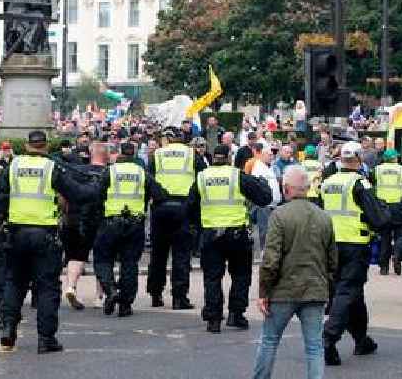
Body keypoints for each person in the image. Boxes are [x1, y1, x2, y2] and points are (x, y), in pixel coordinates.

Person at [0, 131, 100, 354]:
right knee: (47, 288)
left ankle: (8, 331)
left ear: (26, 145)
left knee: (14, 284)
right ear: (45, 146)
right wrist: (97, 184)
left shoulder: (14, 167)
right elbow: (79, 195)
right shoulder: (51, 168)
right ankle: (46, 339)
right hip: (44, 237)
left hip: (16, 236)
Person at [252, 166, 337, 379]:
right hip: (314, 290)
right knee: (314, 346)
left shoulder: (279, 216)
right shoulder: (324, 217)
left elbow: (271, 260)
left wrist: (264, 292)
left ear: (286, 189)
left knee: (270, 340)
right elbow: (332, 260)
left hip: (284, 290)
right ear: (307, 189)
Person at [320, 141, 390, 366]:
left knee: (352, 295)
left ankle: (361, 339)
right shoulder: (359, 183)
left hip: (330, 245)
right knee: (347, 291)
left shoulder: (328, 182)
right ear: (359, 159)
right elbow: (379, 218)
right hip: (355, 245)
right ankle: (329, 338)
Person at [188, 144, 272, 333]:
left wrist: (200, 225)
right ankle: (236, 314)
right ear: (228, 157)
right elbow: (264, 198)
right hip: (236, 234)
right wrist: (262, 184)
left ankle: (214, 319)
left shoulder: (202, 178)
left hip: (211, 234)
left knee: (212, 277)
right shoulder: (237, 175)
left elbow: (190, 206)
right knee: (241, 275)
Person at [94, 142, 167, 317]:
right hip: (134, 224)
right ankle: (125, 304)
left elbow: (97, 194)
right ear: (134, 154)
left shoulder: (110, 171)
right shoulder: (142, 173)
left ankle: (110, 290)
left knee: (103, 259)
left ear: (119, 153)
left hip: (111, 222)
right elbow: (160, 194)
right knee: (129, 264)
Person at [146, 130, 198, 310]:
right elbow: (200, 179)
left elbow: (149, 179)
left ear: (168, 139)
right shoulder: (192, 154)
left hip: (161, 207)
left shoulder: (158, 154)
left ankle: (155, 294)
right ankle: (179, 297)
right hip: (183, 208)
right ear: (183, 140)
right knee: (181, 255)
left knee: (158, 253)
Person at [61, 142, 108, 310]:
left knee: (76, 256)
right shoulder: (108, 173)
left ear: (90, 154)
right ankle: (99, 297)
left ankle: (71, 287)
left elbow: (64, 195)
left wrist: (65, 213)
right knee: (103, 259)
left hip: (76, 219)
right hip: (102, 219)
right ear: (107, 156)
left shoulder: (77, 172)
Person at [372, 149, 402, 276]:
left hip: (382, 207)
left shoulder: (377, 170)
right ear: (394, 158)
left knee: (384, 237)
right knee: (400, 233)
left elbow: (371, 187)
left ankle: (384, 267)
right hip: (398, 207)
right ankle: (398, 255)